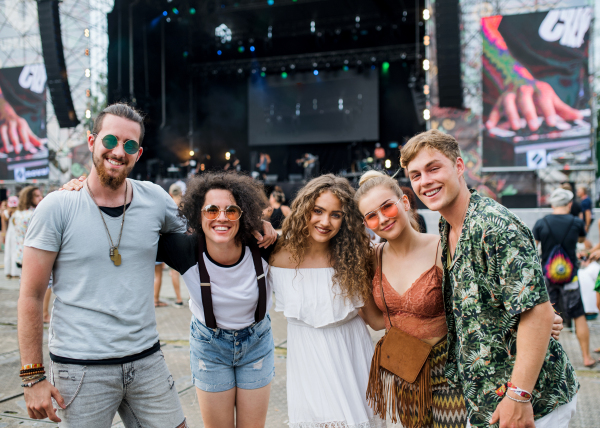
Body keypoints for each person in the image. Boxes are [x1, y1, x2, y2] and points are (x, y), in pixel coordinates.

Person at [34, 107, 277, 426]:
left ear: (139, 152)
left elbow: (205, 224)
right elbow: (30, 296)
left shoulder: (154, 200)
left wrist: (258, 223)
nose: (119, 151)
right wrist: (31, 377)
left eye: (130, 145)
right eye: (110, 140)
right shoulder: (58, 206)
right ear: (92, 141)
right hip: (81, 367)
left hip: (146, 361)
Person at [401, 129, 578, 428]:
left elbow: (535, 313)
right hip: (488, 402)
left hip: (531, 404)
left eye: (433, 168)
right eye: (415, 175)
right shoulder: (448, 227)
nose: (425, 181)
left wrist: (518, 396)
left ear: (459, 166)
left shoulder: (494, 226)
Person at [157, 172, 276, 428]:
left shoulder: (263, 245)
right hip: (209, 347)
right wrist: (84, 190)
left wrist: (271, 228)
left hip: (257, 343)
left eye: (231, 210)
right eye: (211, 210)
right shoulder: (185, 250)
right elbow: (133, 227)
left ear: (244, 215)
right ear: (197, 215)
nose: (221, 217)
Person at [268, 174, 385, 428]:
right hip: (307, 364)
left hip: (352, 359)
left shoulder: (355, 258)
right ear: (303, 210)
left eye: (336, 214)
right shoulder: (275, 255)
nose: (325, 221)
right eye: (318, 211)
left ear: (346, 220)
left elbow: (375, 321)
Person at [357, 171, 468, 428]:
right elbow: (375, 322)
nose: (382, 219)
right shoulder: (372, 260)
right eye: (371, 216)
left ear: (404, 203)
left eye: (387, 206)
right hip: (404, 372)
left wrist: (538, 317)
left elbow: (479, 302)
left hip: (448, 372)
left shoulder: (444, 248)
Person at [533, 188, 596, 368]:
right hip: (570, 278)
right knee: (578, 314)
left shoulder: (541, 223)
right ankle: (586, 357)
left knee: (549, 317)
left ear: (552, 204)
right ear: (569, 204)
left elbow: (532, 248)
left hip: (548, 278)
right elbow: (583, 240)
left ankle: (551, 360)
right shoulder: (576, 222)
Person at [154, 184, 186, 308]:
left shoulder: (167, 205)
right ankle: (190, 298)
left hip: (172, 245)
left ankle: (178, 299)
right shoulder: (186, 205)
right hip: (185, 243)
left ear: (170, 193)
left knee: (174, 273)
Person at [3, 195, 18, 277]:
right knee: (15, 252)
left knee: (7, 252)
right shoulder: (18, 213)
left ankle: (7, 272)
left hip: (9, 233)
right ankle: (15, 272)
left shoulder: (5, 213)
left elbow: (4, 226)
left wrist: (3, 236)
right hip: (16, 234)